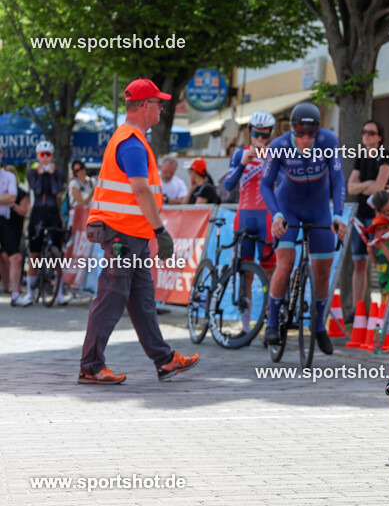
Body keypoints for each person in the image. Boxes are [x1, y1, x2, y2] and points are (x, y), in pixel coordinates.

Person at [78, 78, 199, 384]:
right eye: (158, 103)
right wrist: (161, 231)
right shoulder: (131, 143)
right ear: (145, 106)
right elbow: (141, 190)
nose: (162, 107)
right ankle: (91, 366)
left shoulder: (132, 139)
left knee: (142, 298)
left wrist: (151, 233)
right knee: (112, 294)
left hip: (132, 235)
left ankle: (165, 359)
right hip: (122, 234)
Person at [260, 102, 348, 355]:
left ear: (318, 131)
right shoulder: (278, 146)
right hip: (288, 209)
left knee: (322, 271)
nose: (306, 139)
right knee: (285, 264)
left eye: (311, 134)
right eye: (300, 133)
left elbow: (338, 179)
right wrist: (276, 214)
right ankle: (273, 321)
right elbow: (266, 184)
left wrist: (338, 215)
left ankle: (319, 325)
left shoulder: (329, 141)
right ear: (292, 130)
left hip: (319, 210)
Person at [222, 111, 276, 333]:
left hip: (267, 218)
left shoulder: (275, 154)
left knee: (271, 272)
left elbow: (281, 184)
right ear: (249, 132)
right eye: (256, 134)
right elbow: (227, 186)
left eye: (264, 135)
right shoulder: (239, 154)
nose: (260, 140)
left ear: (270, 134)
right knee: (246, 273)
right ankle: (245, 327)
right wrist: (243, 164)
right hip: (244, 217)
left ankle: (269, 320)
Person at [347, 120, 389, 314]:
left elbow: (378, 189)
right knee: (359, 262)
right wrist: (369, 183)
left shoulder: (386, 155)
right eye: (364, 131)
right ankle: (356, 309)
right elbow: (351, 187)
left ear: (379, 137)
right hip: (361, 216)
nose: (366, 135)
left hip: (380, 219)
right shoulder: (361, 157)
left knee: (383, 261)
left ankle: (387, 310)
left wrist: (366, 185)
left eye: (371, 132)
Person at [21, 140, 67, 306]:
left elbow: (56, 190)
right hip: (38, 212)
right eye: (42, 155)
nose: (45, 158)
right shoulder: (32, 172)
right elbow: (37, 189)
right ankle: (30, 293)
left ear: (52, 156)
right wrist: (41, 174)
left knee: (57, 254)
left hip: (53, 212)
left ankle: (59, 292)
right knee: (34, 253)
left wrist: (53, 175)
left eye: (48, 155)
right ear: (37, 156)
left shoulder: (59, 172)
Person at [0, 149, 27, 303]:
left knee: (15, 257)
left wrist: (8, 199)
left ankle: (15, 294)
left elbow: (12, 197)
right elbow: (8, 197)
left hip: (3, 219)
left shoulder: (9, 176)